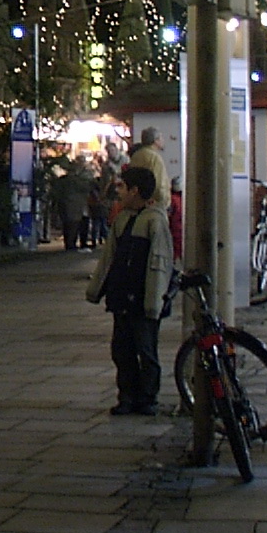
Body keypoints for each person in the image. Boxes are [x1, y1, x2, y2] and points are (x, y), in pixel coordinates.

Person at [86, 165, 173, 417]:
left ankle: (147, 397)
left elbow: (159, 265)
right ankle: (126, 396)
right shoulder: (122, 219)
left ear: (135, 190)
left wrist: (154, 303)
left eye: (122, 186)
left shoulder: (155, 221)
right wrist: (96, 290)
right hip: (121, 296)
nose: (119, 191)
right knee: (122, 350)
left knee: (146, 350)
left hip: (143, 299)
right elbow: (108, 258)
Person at [128, 127, 171, 210]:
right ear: (156, 140)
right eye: (161, 138)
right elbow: (159, 185)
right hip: (154, 205)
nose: (163, 140)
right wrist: (164, 203)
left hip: (137, 202)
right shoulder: (155, 158)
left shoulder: (136, 156)